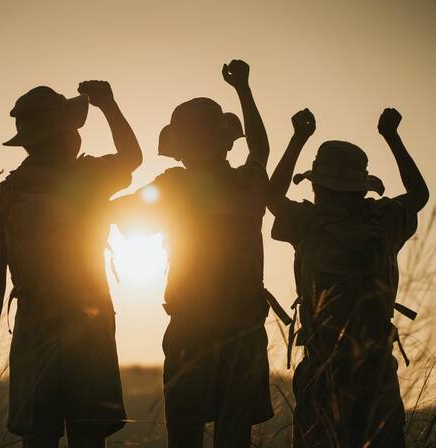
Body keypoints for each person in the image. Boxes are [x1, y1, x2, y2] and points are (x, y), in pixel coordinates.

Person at [0, 81, 142, 448]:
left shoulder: (3, 200)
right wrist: (108, 105)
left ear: (28, 143)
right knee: (88, 437)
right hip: (89, 329)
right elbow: (132, 157)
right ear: (65, 138)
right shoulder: (89, 179)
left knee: (38, 438)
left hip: (34, 334)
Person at [113, 60, 274, 447]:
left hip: (192, 330)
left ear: (181, 149)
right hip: (242, 330)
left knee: (184, 434)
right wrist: (244, 91)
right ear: (225, 142)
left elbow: (122, 214)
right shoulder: (247, 183)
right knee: (233, 435)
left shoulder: (173, 187)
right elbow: (262, 149)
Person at [268, 108, 429, 448]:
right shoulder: (384, 220)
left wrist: (298, 138)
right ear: (362, 187)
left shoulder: (306, 221)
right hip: (375, 368)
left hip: (321, 366)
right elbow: (419, 196)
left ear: (317, 186)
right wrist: (392, 136)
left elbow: (269, 198)